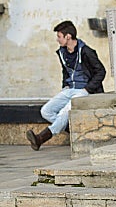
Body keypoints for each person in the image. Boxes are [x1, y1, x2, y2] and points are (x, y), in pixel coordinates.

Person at [26, 20, 106, 151]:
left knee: (64, 112)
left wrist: (88, 88)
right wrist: (65, 86)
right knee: (46, 111)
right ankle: (74, 130)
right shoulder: (63, 52)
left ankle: (41, 138)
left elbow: (101, 71)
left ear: (68, 36)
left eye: (59, 36)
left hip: (84, 90)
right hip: (70, 89)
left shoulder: (86, 51)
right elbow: (65, 71)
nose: (57, 40)